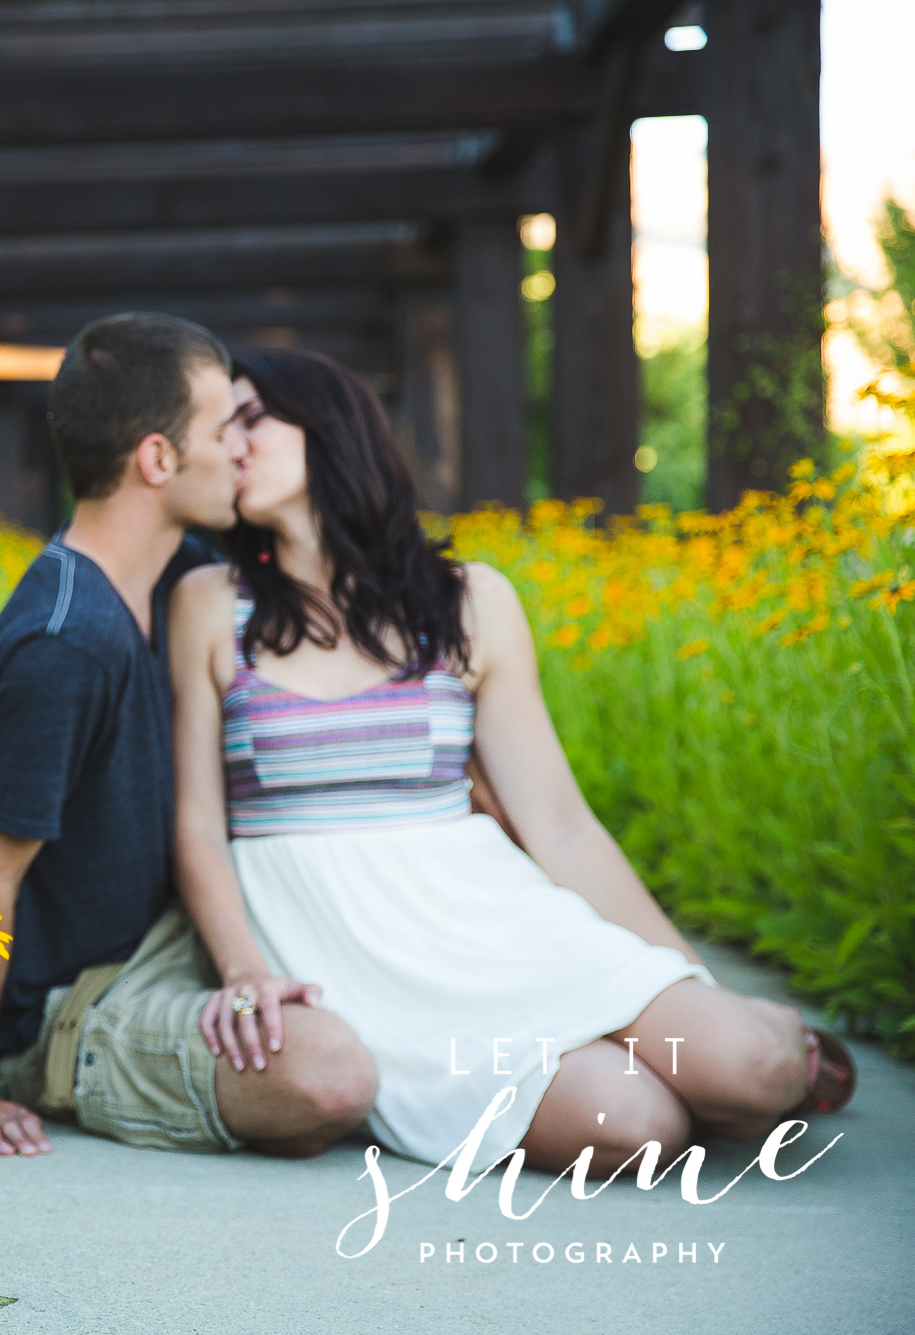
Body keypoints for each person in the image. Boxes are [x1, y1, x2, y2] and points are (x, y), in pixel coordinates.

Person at [167, 348, 857, 1174]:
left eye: (250, 417)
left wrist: (679, 972)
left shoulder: (469, 599)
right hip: (356, 964)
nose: (229, 443)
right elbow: (199, 826)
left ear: (331, 426)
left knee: (755, 1067)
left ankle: (768, 1042)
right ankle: (657, 1065)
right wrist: (244, 969)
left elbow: (559, 827)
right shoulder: (209, 605)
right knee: (638, 1124)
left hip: (494, 919)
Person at [0, 314, 379, 1159]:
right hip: (85, 1000)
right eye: (225, 429)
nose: (242, 449)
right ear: (157, 459)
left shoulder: (182, 580)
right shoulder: (62, 643)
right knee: (328, 1074)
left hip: (178, 930)